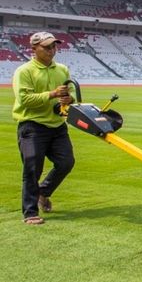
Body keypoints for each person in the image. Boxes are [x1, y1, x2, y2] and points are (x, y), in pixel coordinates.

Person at [12, 31, 76, 225]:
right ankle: (30, 212)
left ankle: (43, 192)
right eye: (47, 47)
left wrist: (68, 98)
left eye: (53, 46)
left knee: (66, 162)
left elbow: (71, 92)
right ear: (34, 49)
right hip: (32, 126)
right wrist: (53, 94)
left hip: (57, 126)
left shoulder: (62, 69)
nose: (51, 50)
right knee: (32, 169)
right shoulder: (24, 71)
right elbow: (25, 100)